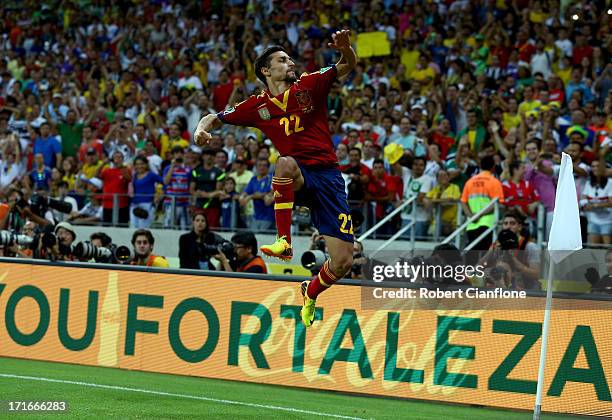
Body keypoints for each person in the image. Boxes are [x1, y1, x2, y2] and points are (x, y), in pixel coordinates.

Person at [194, 30, 356, 327]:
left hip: (329, 178)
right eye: (283, 60)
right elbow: (213, 117)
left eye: (290, 58)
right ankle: (284, 240)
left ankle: (311, 291)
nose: (290, 62)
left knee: (344, 260)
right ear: (266, 71)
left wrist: (346, 49)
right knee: (283, 164)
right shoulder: (256, 106)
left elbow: (347, 66)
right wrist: (200, 130)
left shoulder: (309, 84)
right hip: (298, 175)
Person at [461, 156, 505, 251]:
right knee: (485, 255)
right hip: (488, 222)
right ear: (493, 167)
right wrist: (480, 215)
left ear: (480, 166)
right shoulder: (494, 182)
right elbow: (497, 203)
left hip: (472, 223)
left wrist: (471, 215)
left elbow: (463, 202)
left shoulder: (470, 182)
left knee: (472, 254)